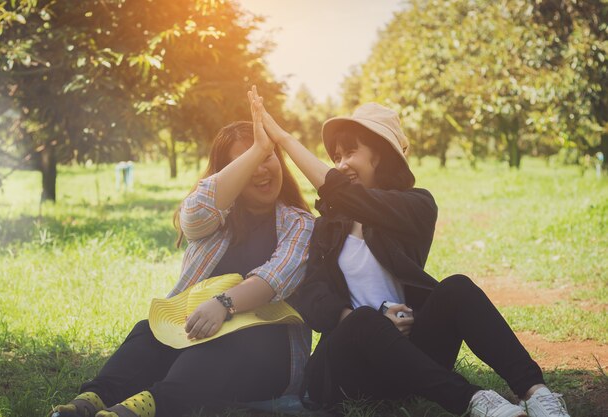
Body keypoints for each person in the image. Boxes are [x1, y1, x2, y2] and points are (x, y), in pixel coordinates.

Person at [247, 86, 571, 417]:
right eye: (336, 157)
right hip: (350, 368)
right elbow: (312, 297)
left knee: (457, 287)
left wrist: (286, 140)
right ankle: (474, 401)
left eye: (350, 153)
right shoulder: (327, 226)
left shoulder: (416, 206)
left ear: (380, 154)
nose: (341, 164)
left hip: (409, 360)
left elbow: (349, 196)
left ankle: (538, 393)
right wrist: (367, 320)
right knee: (363, 320)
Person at [50, 102, 315, 417]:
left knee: (225, 340)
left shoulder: (299, 223)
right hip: (196, 337)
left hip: (265, 355)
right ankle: (89, 402)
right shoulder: (214, 219)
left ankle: (143, 408)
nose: (260, 168)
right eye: (247, 161)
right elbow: (194, 213)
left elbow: (275, 278)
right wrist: (257, 149)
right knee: (148, 331)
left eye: (267, 156)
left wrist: (223, 305)